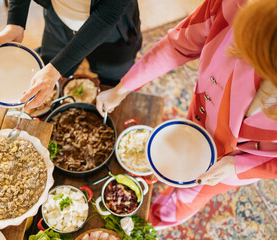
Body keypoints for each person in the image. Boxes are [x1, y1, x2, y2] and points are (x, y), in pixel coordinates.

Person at [96, 0, 277, 228]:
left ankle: (157, 220)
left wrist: (237, 167)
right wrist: (122, 89)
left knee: (191, 196)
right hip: (200, 118)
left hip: (245, 160)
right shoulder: (235, 4)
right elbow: (178, 45)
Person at [0, 0, 142, 111]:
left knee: (113, 82)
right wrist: (16, 22)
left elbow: (105, 16)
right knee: (46, 76)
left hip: (112, 32)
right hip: (58, 22)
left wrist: (55, 69)